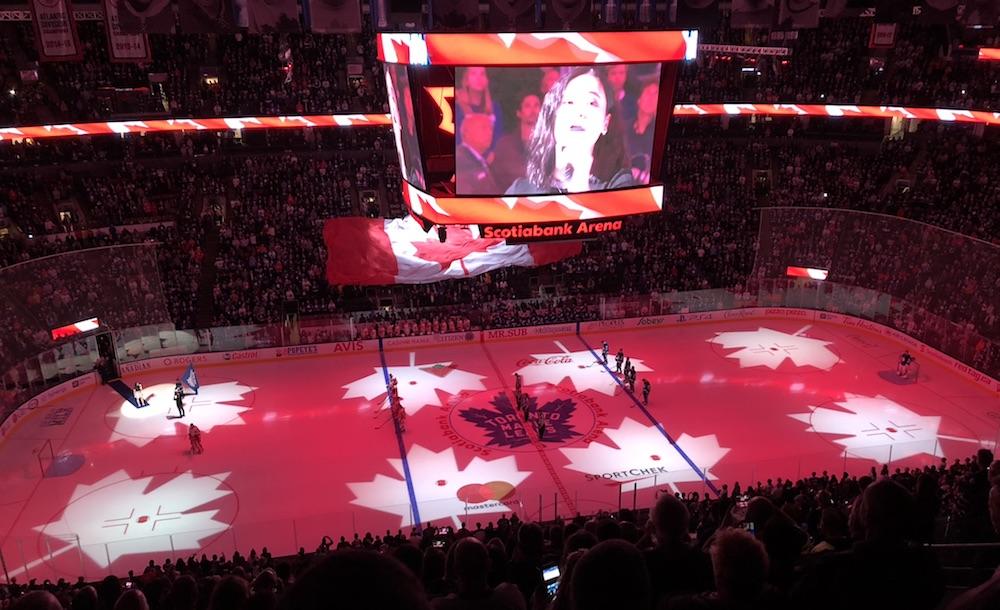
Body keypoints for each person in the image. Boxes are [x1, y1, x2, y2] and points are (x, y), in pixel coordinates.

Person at [505, 67, 634, 195]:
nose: (579, 112)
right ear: (554, 115)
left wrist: (579, 182)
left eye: (592, 103)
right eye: (570, 102)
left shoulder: (620, 185)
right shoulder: (519, 190)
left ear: (605, 123)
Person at [491, 92, 541, 193]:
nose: (533, 110)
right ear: (519, 113)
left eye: (536, 105)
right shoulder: (505, 145)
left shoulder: (551, 143)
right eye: (527, 106)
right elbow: (496, 179)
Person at [455, 113, 499, 195]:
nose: (490, 133)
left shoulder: (478, 159)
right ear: (467, 133)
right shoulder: (460, 160)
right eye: (484, 128)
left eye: (491, 129)